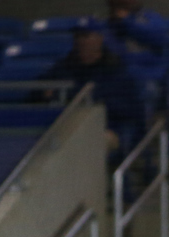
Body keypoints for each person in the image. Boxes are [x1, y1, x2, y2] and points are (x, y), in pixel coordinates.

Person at [42, 18, 143, 162]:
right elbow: (39, 91)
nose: (81, 41)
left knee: (92, 142)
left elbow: (130, 110)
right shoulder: (64, 67)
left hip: (108, 129)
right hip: (66, 128)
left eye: (86, 36)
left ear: (99, 38)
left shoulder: (116, 69)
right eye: (78, 36)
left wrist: (96, 100)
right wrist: (45, 94)